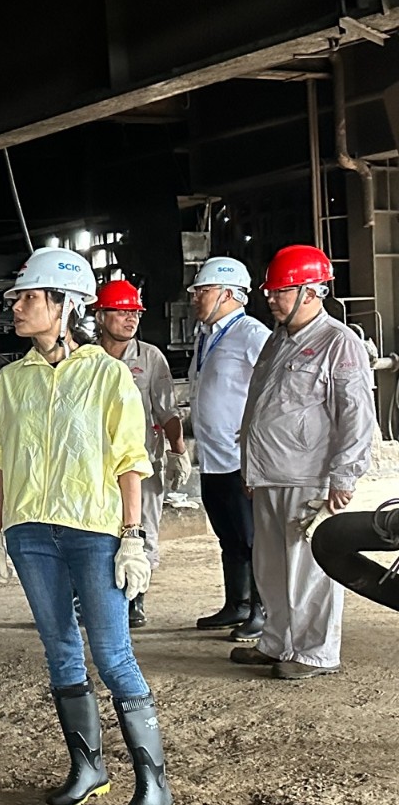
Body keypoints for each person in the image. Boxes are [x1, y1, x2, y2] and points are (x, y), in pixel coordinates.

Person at [0, 247, 173, 805]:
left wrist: (133, 535)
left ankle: (154, 785)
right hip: (30, 533)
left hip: (94, 531)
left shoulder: (108, 376)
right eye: (17, 298)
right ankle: (88, 768)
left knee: (113, 655)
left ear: (64, 305)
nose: (17, 307)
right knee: (60, 648)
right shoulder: (9, 383)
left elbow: (130, 459)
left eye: (29, 297)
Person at [232, 245, 376, 680]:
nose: (271, 300)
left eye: (280, 291)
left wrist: (344, 475)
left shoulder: (339, 342)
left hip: (309, 476)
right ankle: (277, 641)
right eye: (270, 292)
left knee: (309, 568)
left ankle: (315, 652)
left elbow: (356, 415)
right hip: (269, 474)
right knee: (271, 567)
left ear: (311, 292)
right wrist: (250, 465)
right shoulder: (277, 339)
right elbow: (259, 405)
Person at [94, 279, 188, 627]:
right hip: (96, 463)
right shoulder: (86, 358)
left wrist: (178, 451)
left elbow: (167, 411)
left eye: (135, 312)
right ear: (100, 316)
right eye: (122, 312)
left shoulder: (150, 358)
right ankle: (94, 596)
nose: (131, 319)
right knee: (98, 529)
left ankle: (136, 598)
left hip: (141, 463)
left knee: (142, 528)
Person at [186, 257, 271, 641]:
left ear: (229, 294)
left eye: (202, 290)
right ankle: (236, 603)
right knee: (229, 536)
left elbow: (272, 389)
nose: (195, 297)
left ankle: (262, 610)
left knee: (253, 539)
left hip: (241, 461)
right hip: (212, 457)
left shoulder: (252, 334)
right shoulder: (205, 335)